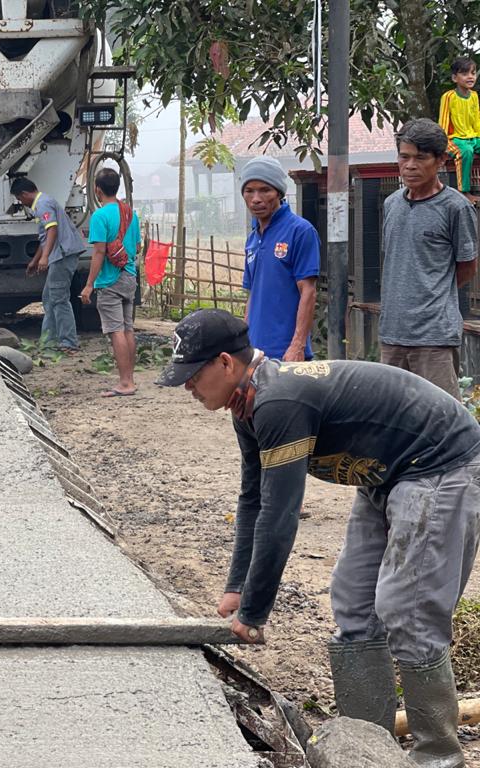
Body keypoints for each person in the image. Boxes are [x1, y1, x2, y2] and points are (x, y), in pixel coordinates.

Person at [158, 308, 480, 767]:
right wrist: (237, 587)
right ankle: (368, 749)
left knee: (407, 608)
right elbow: (253, 500)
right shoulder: (248, 405)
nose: (187, 386)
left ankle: (439, 757)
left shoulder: (278, 402)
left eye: (192, 375)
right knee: (353, 602)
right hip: (385, 475)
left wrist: (255, 612)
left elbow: (281, 514)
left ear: (226, 363)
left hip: (440, 465)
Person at [380, 118, 478, 399]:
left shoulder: (456, 208)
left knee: (440, 421)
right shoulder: (392, 204)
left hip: (434, 337)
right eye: (404, 157)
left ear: (441, 161)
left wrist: (432, 293)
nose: (410, 166)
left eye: (421, 158)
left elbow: (468, 267)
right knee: (389, 418)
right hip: (392, 333)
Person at [239, 156, 319, 362]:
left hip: (286, 353)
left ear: (279, 193)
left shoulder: (300, 231)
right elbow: (252, 295)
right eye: (249, 191)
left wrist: (297, 346)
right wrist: (243, 343)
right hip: (255, 352)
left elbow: (308, 292)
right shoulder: (252, 238)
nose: (256, 198)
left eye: (265, 190)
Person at [80, 167, 141, 397]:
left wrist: (89, 285)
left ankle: (125, 383)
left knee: (116, 331)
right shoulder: (130, 213)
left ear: (97, 190)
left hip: (109, 279)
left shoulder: (99, 216)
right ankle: (130, 379)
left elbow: (98, 253)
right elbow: (135, 247)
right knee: (127, 329)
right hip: (129, 276)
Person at [10, 177, 87, 353]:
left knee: (59, 299)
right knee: (49, 297)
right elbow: (44, 237)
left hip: (62, 255)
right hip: (59, 255)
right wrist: (36, 260)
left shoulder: (43, 204)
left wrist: (44, 258)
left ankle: (68, 342)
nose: (21, 203)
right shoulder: (42, 203)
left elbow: (52, 229)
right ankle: (48, 340)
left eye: (20, 199)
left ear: (24, 194)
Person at [439, 57, 480, 199]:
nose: (470, 77)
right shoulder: (449, 96)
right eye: (465, 73)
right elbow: (443, 122)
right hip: (454, 139)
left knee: (472, 147)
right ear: (455, 78)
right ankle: (464, 192)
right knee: (465, 153)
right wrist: (442, 143)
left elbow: (477, 120)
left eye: (473, 73)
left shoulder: (474, 96)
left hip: (473, 137)